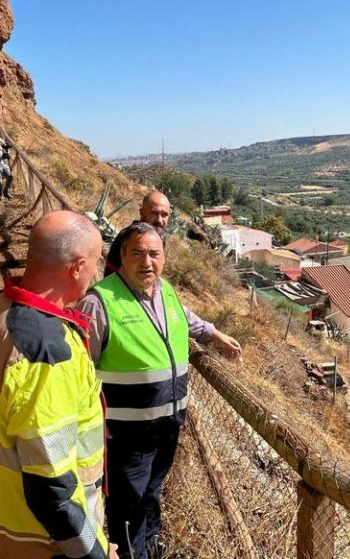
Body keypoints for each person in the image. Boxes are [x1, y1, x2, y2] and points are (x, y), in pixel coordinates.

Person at [78, 222, 241, 559]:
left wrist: (214, 334)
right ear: (121, 256)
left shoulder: (164, 290)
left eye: (154, 253)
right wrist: (91, 425)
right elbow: (78, 372)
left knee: (151, 493)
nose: (146, 261)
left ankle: (150, 545)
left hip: (167, 425)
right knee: (128, 502)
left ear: (164, 257)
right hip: (124, 434)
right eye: (137, 252)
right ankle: (130, 553)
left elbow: (184, 317)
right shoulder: (100, 302)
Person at [0, 210, 118, 559]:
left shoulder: (2, 308)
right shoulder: (47, 352)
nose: (95, 275)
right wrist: (94, 552)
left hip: (7, 522)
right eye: (95, 264)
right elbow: (52, 489)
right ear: (77, 268)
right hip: (47, 543)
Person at [103, 190, 171, 276]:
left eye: (164, 215)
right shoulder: (127, 237)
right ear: (142, 213)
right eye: (154, 213)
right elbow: (110, 275)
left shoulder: (159, 238)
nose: (160, 220)